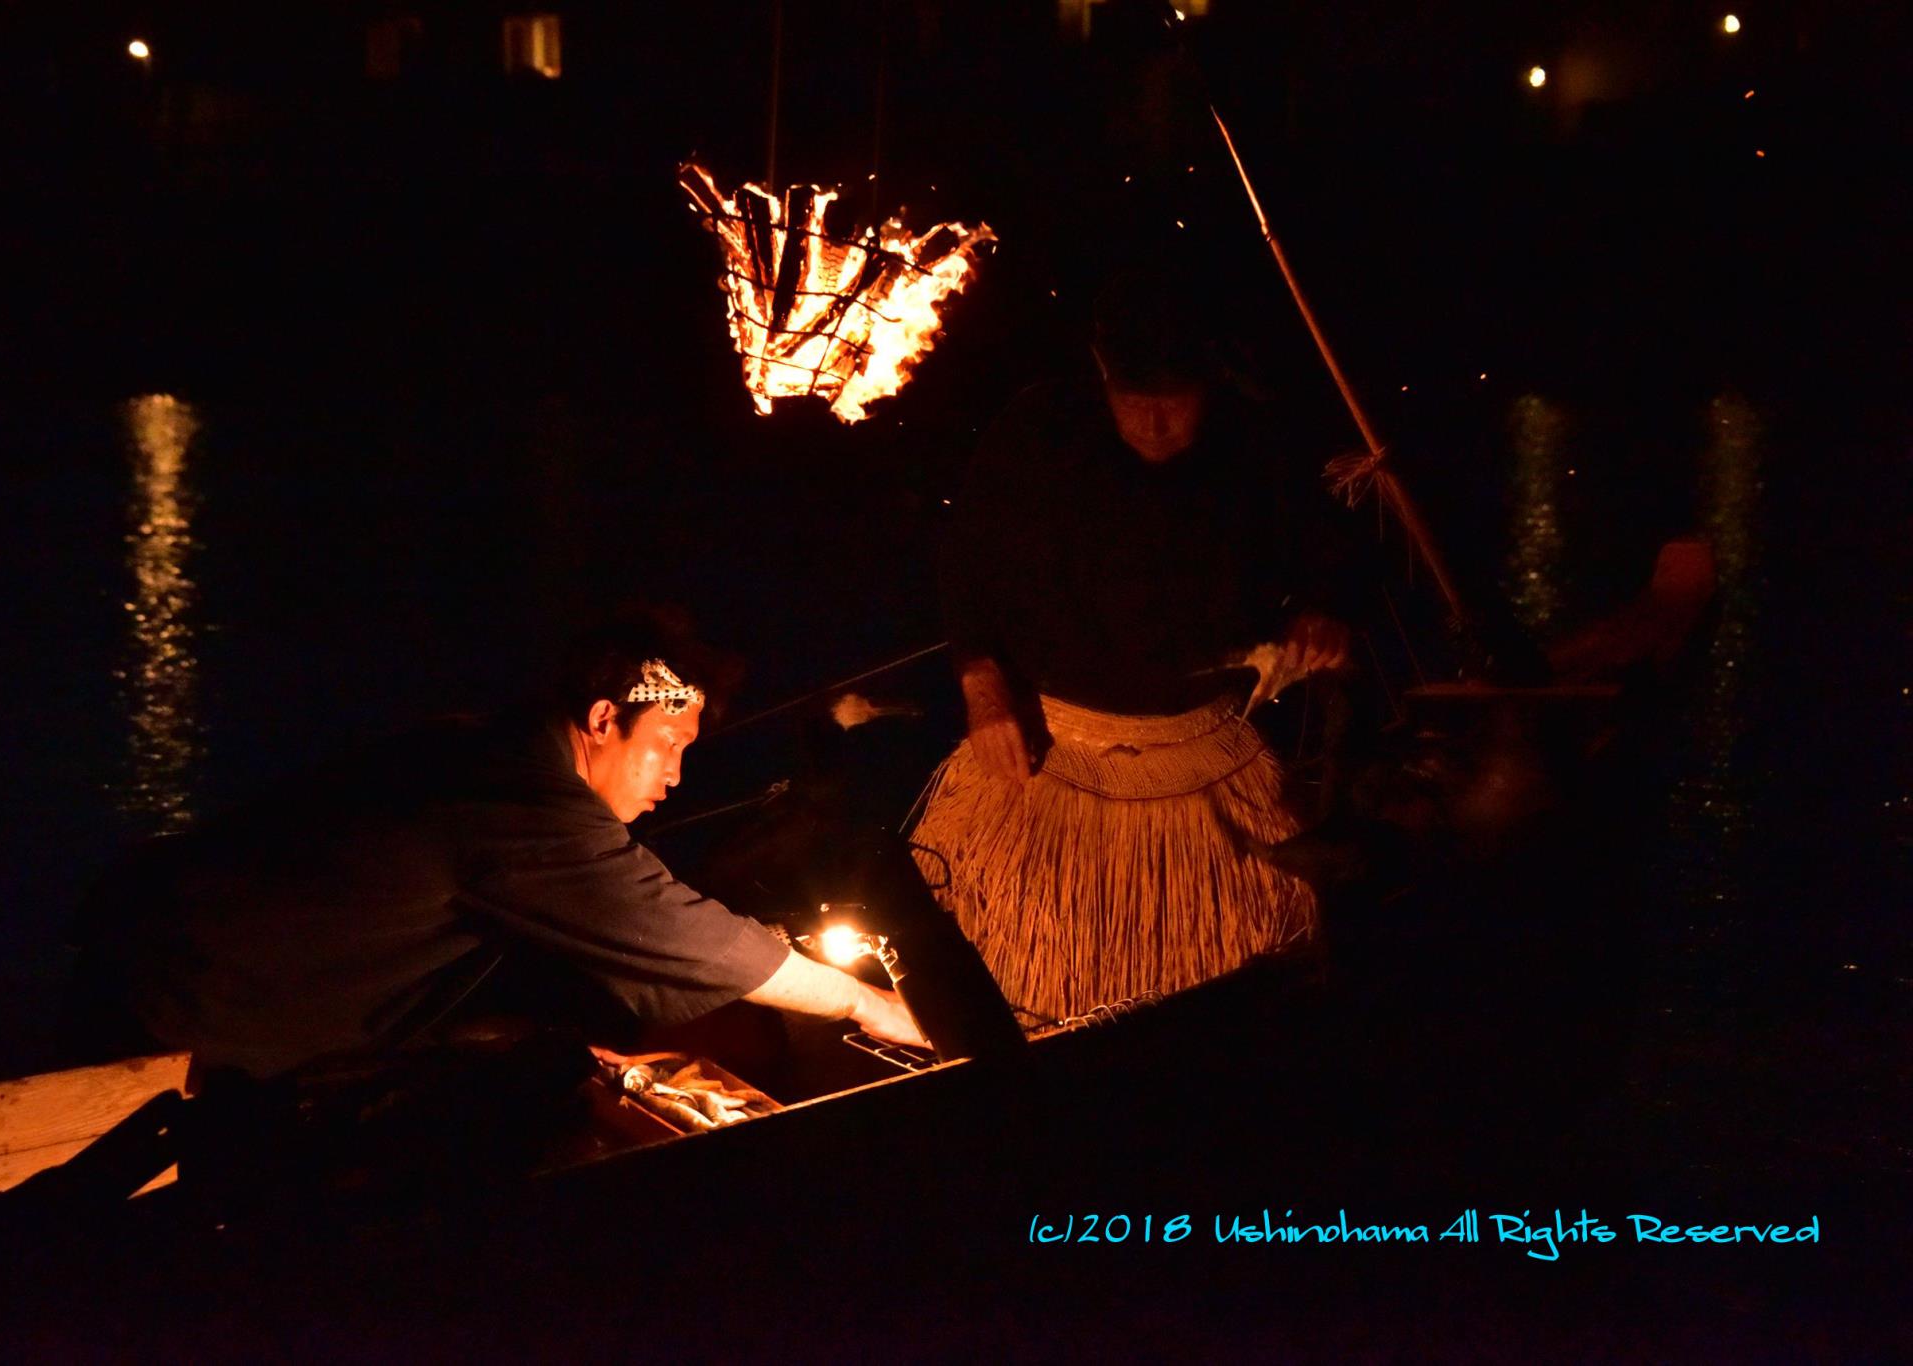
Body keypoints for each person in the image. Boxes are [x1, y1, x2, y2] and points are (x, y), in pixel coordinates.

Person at [91, 612, 925, 1085]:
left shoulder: (484, 749)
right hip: (174, 1018)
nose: (676, 776)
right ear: (604, 719)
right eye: (669, 743)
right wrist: (867, 1004)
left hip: (167, 963)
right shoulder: (520, 798)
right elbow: (670, 925)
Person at [914, 267, 1364, 1021]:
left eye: (1175, 402)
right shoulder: (1037, 432)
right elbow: (964, 568)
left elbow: (1326, 564)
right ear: (1101, 369)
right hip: (1055, 754)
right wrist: (981, 686)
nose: (1155, 424)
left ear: (1209, 384)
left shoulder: (1257, 448)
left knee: (1247, 997)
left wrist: (1318, 616)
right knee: (1021, 996)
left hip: (1207, 758)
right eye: (1135, 400)